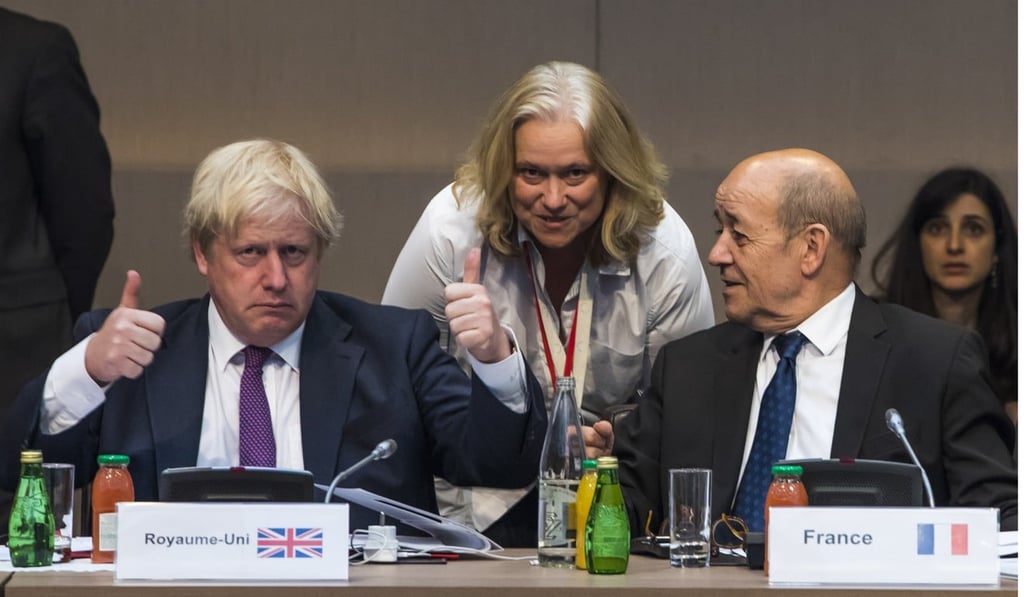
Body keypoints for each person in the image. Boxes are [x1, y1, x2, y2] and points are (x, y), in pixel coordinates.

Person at [0, 139, 546, 534]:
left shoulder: (394, 345)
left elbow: (497, 466)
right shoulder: (131, 352)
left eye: (294, 253)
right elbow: (14, 470)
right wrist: (88, 371)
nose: (277, 278)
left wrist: (495, 359)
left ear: (319, 254)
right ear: (201, 254)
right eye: (250, 253)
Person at [594, 149, 1017, 538]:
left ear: (811, 248)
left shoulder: (935, 363)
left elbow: (1000, 522)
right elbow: (626, 509)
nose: (716, 253)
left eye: (738, 235)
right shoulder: (688, 367)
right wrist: (599, 475)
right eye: (719, 229)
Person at [382, 61, 714, 546]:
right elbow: (395, 381)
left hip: (609, 499)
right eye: (531, 173)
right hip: (469, 506)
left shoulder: (663, 247)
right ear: (504, 169)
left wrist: (620, 432)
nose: (553, 198)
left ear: (612, 173)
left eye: (575, 173)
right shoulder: (451, 230)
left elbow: (688, 406)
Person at [0, 7, 114, 538]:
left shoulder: (32, 48)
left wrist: (52, 322)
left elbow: (83, 212)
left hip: (13, 346)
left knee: (20, 532)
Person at [871, 168, 1017, 423]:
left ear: (997, 249)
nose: (954, 246)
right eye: (937, 229)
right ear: (918, 245)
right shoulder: (875, 332)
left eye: (973, 229)